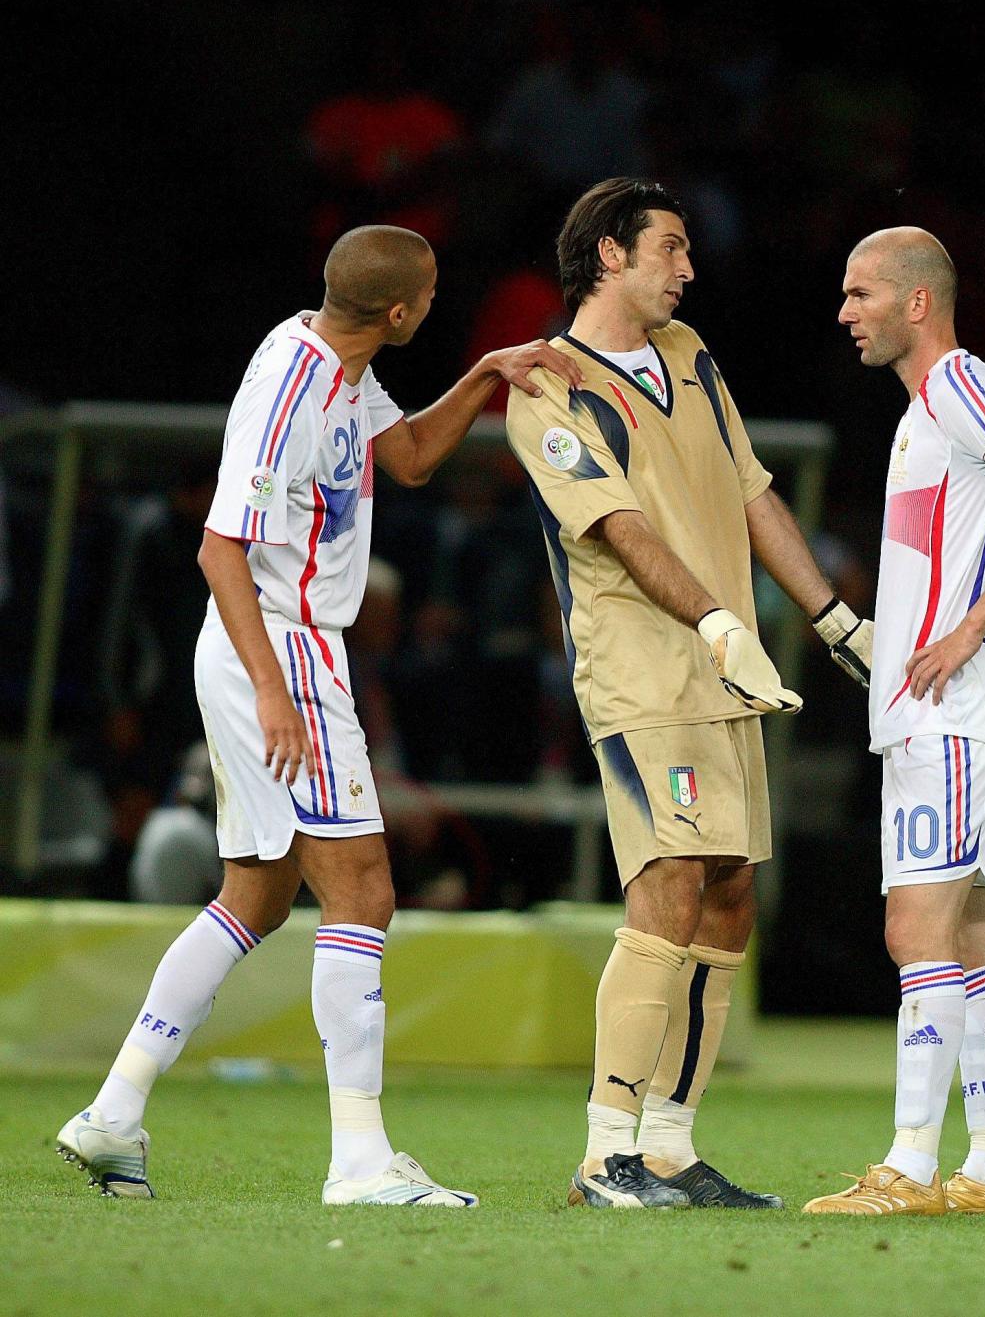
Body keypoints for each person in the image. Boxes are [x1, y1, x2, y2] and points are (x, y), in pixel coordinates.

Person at [57, 225, 580, 1205]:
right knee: (364, 890)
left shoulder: (339, 364)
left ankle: (113, 1112)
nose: (435, 302)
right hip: (282, 645)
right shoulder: (292, 391)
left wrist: (486, 375)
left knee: (255, 895)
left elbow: (414, 455)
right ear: (398, 311)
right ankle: (358, 1161)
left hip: (285, 642)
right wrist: (270, 688)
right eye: (428, 294)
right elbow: (220, 550)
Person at [507, 178, 871, 1210]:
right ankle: (602, 1150)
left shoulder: (689, 355)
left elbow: (750, 485)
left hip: (729, 662)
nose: (688, 266)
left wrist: (829, 615)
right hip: (641, 666)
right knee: (668, 874)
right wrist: (715, 618)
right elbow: (618, 524)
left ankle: (667, 1142)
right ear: (610, 255)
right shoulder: (546, 384)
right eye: (670, 247)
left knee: (729, 889)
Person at [803, 227, 985, 1216]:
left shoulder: (960, 385)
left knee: (916, 925)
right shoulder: (929, 409)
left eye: (860, 291)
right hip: (954, 709)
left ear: (916, 302)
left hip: (956, 710)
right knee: (971, 931)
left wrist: (966, 628)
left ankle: (909, 1166)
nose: (845, 312)